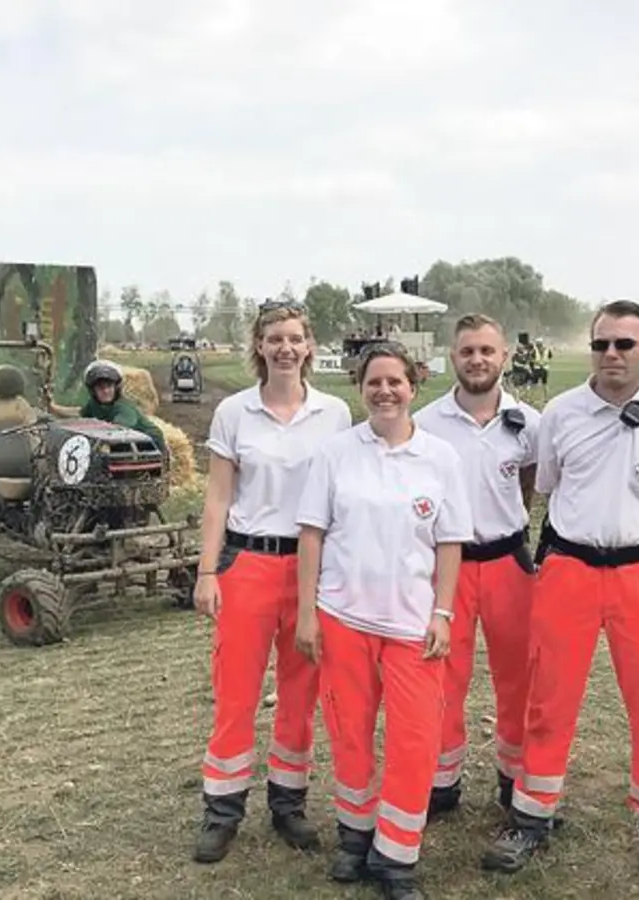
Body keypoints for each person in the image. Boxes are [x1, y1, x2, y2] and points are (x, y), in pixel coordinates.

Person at [482, 300, 639, 900]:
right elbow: (549, 486)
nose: (612, 355)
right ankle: (531, 817)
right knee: (548, 695)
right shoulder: (559, 414)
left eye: (625, 345)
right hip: (570, 571)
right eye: (602, 344)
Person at [294, 341, 471, 900]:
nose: (385, 391)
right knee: (350, 733)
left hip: (413, 627)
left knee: (415, 741)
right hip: (343, 616)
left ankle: (396, 856)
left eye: (396, 381)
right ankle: (355, 836)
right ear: (360, 388)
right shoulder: (336, 452)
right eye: (374, 382)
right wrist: (307, 613)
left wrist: (443, 613)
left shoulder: (440, 457)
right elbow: (312, 534)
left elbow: (449, 543)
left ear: (414, 385)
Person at [191, 300, 353, 863]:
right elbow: (218, 497)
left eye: (295, 338)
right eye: (274, 338)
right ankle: (222, 810)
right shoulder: (234, 413)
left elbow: (343, 498)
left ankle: (288, 803)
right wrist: (207, 570)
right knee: (235, 692)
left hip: (311, 569)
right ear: (258, 347)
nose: (285, 348)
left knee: (300, 692)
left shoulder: (334, 415)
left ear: (310, 346)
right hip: (249, 565)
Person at [411, 314, 541, 816]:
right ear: (453, 358)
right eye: (467, 351)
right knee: (443, 675)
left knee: (519, 676)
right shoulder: (426, 423)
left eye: (487, 351)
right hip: (450, 566)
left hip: (509, 559)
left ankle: (514, 776)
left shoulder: (529, 423)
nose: (477, 360)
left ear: (504, 357)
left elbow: (528, 483)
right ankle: (443, 780)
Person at [76, 359, 168, 457]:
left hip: (149, 444)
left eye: (109, 386)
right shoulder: (94, 404)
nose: (106, 391)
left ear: (116, 388)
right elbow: (79, 415)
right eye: (100, 387)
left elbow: (117, 429)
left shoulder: (123, 407)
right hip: (127, 443)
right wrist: (57, 410)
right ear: (93, 391)